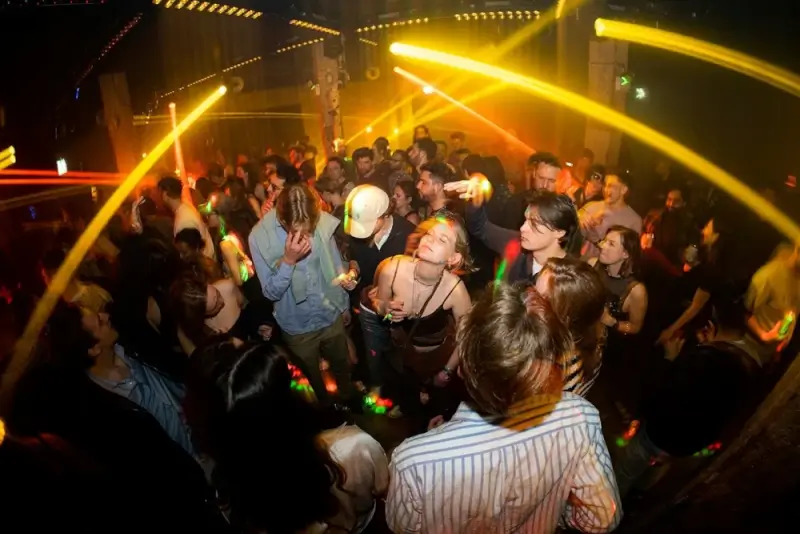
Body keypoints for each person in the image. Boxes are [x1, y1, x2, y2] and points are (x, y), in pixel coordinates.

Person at [386, 283, 622, 533]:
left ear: (464, 370)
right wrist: (551, 511)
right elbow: (602, 518)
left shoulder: (413, 462)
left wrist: (439, 440)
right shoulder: (580, 418)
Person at [188, 339, 389, 533]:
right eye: (289, 373)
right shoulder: (352, 447)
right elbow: (383, 489)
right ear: (285, 403)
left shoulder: (224, 488)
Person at [614, 301, 761, 497]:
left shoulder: (698, 361)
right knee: (652, 470)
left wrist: (671, 358)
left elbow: (663, 393)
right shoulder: (748, 367)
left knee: (624, 470)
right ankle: (640, 492)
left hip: (659, 435)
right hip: (687, 445)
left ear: (710, 326)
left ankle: (608, 507)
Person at [248, 183, 358, 409]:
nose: (305, 236)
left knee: (341, 364)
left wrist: (343, 304)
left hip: (329, 314)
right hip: (297, 326)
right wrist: (288, 261)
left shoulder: (322, 221)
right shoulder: (259, 237)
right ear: (283, 220)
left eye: (309, 229)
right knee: (313, 377)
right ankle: (327, 409)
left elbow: (334, 262)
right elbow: (270, 292)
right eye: (296, 231)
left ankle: (348, 398)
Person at [373, 215, 472, 420]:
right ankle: (409, 407)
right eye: (429, 234)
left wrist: (446, 370)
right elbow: (379, 304)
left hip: (438, 356)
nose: (429, 240)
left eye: (442, 240)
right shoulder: (391, 268)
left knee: (437, 404)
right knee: (408, 391)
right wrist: (387, 310)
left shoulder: (456, 291)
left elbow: (467, 336)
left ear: (453, 258)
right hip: (404, 352)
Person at [345, 185, 416, 394]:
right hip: (368, 305)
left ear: (385, 214)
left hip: (398, 310)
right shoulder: (357, 231)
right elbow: (355, 259)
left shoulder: (409, 235)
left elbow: (414, 277)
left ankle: (401, 394)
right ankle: (377, 384)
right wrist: (353, 274)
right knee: (372, 350)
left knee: (399, 355)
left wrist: (389, 292)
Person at [462, 189, 580, 283]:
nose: (523, 228)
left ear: (559, 232)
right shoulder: (515, 244)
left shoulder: (572, 276)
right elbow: (480, 227)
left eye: (534, 223)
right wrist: (475, 201)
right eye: (525, 220)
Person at [536, 257, 608, 397]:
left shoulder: (555, 366)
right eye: (533, 289)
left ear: (565, 317)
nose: (528, 299)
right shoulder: (593, 332)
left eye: (541, 299)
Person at [744, 243, 800, 366]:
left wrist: (779, 349)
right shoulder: (768, 276)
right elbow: (743, 312)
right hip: (748, 350)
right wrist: (763, 335)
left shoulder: (798, 280)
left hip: (769, 356)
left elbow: (791, 314)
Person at [579, 172, 642, 258]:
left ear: (623, 190)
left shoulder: (634, 221)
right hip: (581, 264)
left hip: (605, 270)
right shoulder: (591, 207)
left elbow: (628, 255)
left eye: (611, 186)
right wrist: (581, 224)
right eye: (605, 185)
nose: (605, 189)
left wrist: (596, 238)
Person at [158, 176, 215, 259]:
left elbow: (191, 255)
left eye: (159, 193)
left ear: (165, 194)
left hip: (203, 267)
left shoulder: (184, 222)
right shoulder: (185, 204)